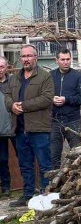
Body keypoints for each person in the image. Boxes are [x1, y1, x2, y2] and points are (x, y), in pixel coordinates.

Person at [4, 44, 54, 208]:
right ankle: (27, 195)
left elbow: (47, 98)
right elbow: (7, 96)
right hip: (19, 129)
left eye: (29, 56)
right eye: (23, 56)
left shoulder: (45, 76)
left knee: (44, 163)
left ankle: (46, 195)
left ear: (35, 57)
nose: (26, 59)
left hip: (38, 128)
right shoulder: (15, 78)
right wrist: (12, 106)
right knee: (25, 164)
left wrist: (23, 106)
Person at [50, 48, 81, 170]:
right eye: (63, 59)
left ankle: (78, 178)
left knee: (78, 154)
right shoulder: (50, 76)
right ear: (56, 60)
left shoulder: (77, 76)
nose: (66, 62)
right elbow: (43, 94)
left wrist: (66, 99)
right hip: (55, 121)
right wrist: (51, 99)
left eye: (68, 59)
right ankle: (55, 180)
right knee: (53, 156)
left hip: (73, 121)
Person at [0, 57, 13, 197]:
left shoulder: (13, 82)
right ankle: (6, 187)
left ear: (7, 67)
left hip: (15, 127)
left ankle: (29, 187)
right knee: (2, 160)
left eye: (2, 66)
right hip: (0, 129)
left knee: (23, 157)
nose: (0, 70)